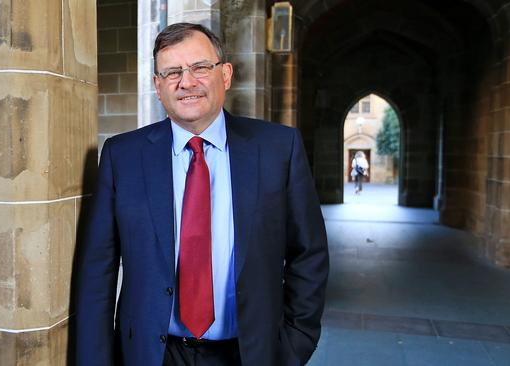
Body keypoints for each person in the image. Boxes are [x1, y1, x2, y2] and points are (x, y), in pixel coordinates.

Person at [75, 22, 329, 366]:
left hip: (249, 353)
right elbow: (97, 269)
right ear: (157, 86)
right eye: (172, 72)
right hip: (151, 354)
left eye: (199, 67)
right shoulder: (123, 156)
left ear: (225, 74)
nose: (187, 82)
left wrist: (294, 344)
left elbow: (308, 255)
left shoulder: (278, 149)